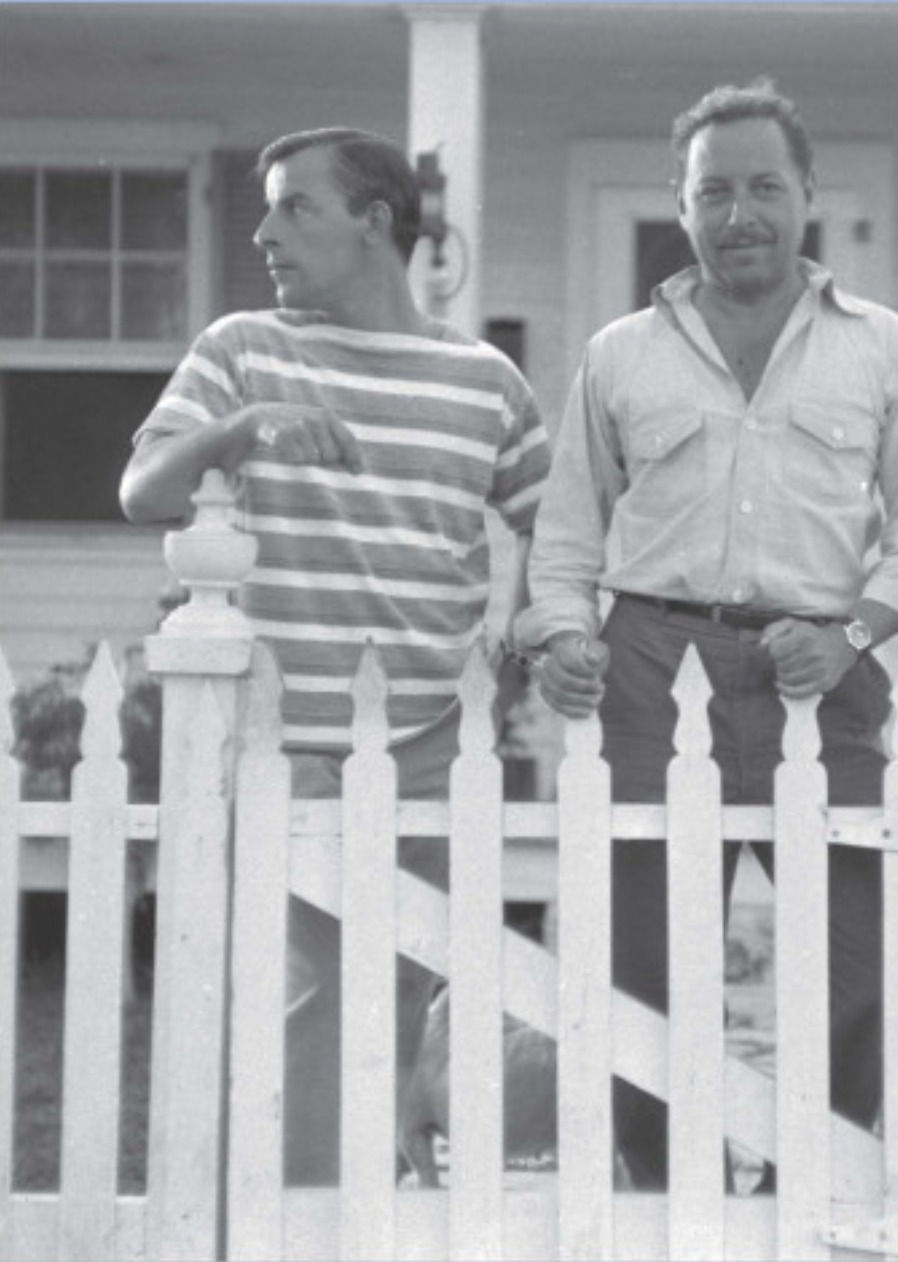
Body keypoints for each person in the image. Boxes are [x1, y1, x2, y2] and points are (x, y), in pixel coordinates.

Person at [512, 79, 898, 1191]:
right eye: (713, 190)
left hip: (826, 672)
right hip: (654, 665)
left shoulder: (884, 348)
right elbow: (567, 531)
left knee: (853, 959)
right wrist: (562, 633)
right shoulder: (621, 354)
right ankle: (671, 1200)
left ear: (808, 193)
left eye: (765, 185)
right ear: (682, 200)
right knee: (646, 965)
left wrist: (852, 632)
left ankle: (822, 1189)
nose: (739, 212)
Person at [121, 127, 550, 1184]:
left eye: (294, 207)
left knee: (412, 988)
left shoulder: (484, 381)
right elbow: (143, 491)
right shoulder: (242, 352)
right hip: (285, 743)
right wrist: (242, 431)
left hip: (433, 741)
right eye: (266, 208)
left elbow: (555, 521)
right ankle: (309, 1220)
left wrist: (523, 632)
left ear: (375, 221)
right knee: (314, 1001)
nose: (265, 231)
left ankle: (383, 1201)